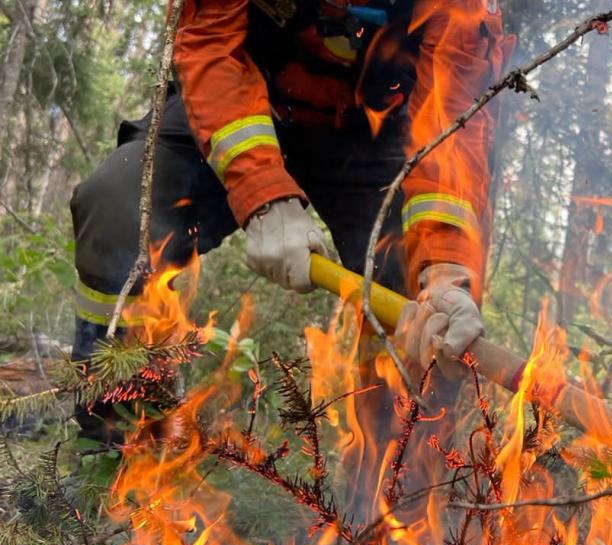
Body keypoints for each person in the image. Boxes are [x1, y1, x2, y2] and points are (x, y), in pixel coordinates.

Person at [69, 0, 512, 464]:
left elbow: (454, 122)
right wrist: (262, 193)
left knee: (423, 304)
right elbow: (210, 44)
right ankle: (122, 449)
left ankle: (389, 504)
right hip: (244, 100)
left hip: (379, 137)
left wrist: (444, 267)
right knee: (116, 203)